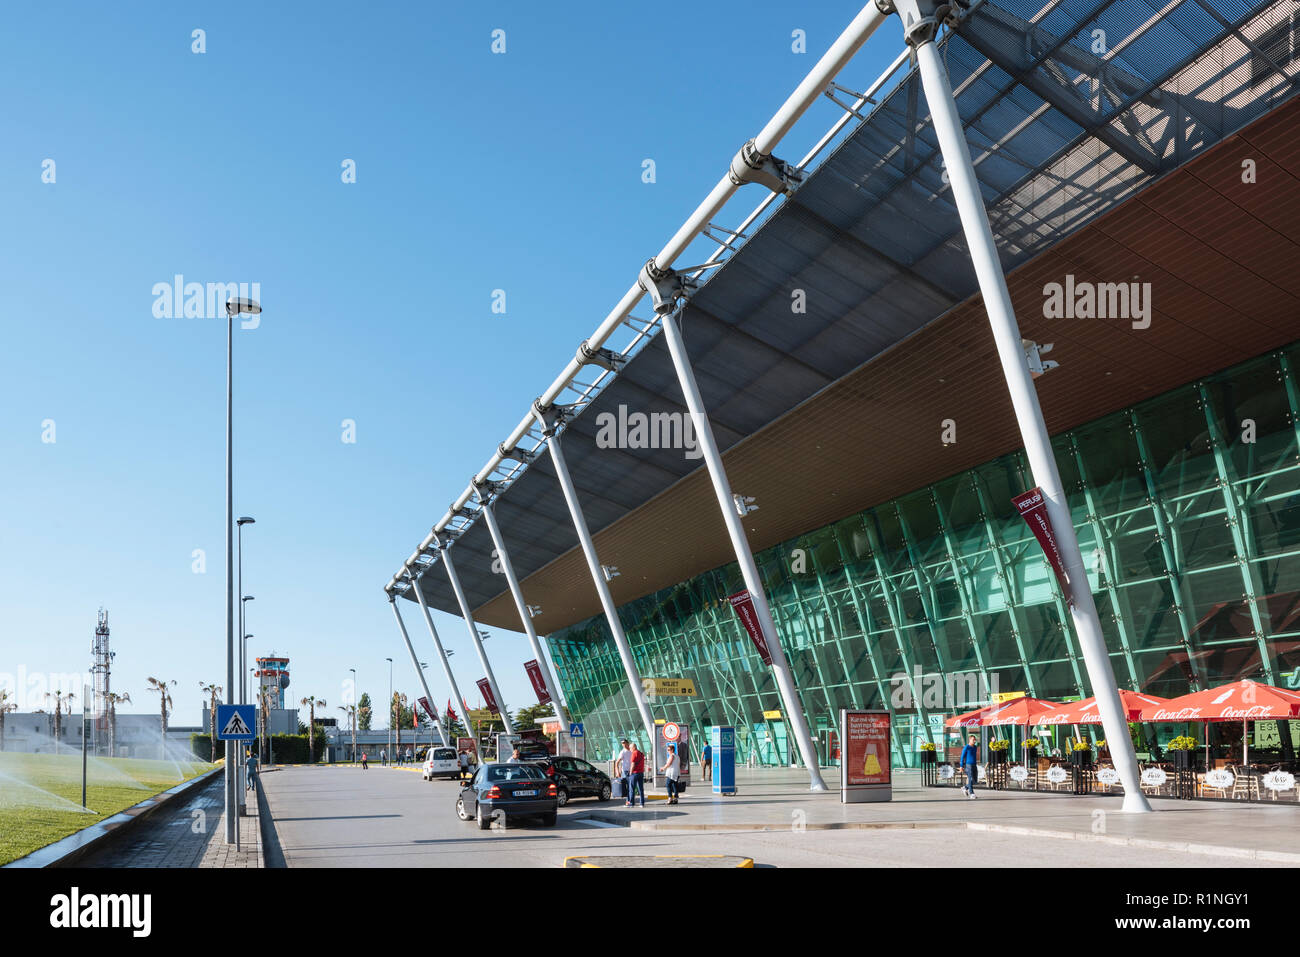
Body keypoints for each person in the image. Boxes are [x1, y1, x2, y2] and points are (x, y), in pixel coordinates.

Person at [960, 733, 979, 799]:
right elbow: (962, 757)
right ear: (970, 740)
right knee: (970, 779)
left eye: (975, 740)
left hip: (974, 764)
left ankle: (965, 787)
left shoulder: (975, 747)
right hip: (968, 765)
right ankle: (971, 793)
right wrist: (961, 766)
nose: (974, 741)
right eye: (973, 740)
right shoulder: (966, 747)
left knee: (975, 780)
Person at [626, 743, 646, 807]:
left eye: (630, 748)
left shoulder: (634, 753)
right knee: (641, 789)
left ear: (633, 747)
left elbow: (633, 764)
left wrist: (630, 772)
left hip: (635, 773)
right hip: (641, 773)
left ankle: (631, 803)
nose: (630, 749)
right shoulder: (641, 753)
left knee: (632, 788)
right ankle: (641, 803)